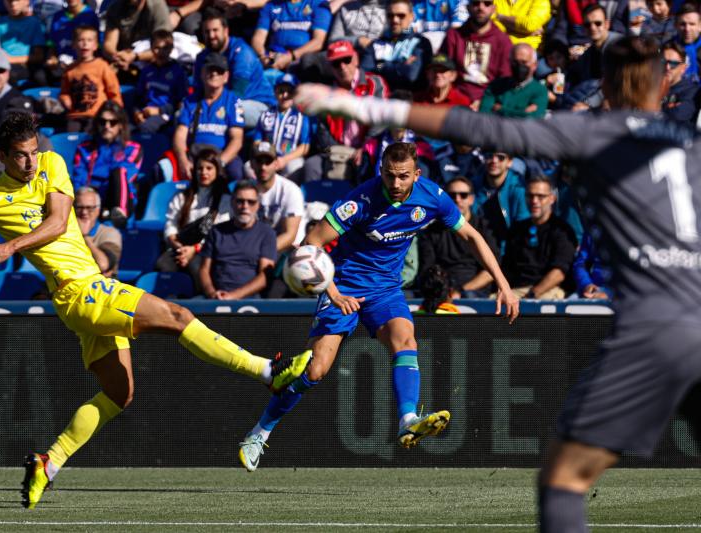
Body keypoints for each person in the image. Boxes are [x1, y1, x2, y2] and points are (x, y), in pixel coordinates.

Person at [294, 35, 701, 531]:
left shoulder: (594, 131)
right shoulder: (688, 143)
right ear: (663, 86)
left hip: (654, 330)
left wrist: (351, 102)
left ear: (608, 89)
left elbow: (477, 125)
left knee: (565, 480)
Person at [0, 111, 312, 509]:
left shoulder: (52, 163)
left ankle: (49, 464)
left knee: (119, 394)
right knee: (179, 317)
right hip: (79, 292)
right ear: (1, 156)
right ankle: (268, 372)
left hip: (87, 292)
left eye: (32, 152)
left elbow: (58, 219)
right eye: (19, 155)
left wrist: (9, 246)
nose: (29, 162)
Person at [237, 142, 518, 471]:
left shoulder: (432, 197)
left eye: (402, 177)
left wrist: (503, 283)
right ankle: (259, 433)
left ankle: (408, 419)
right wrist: (333, 293)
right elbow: (311, 242)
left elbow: (470, 235)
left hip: (385, 291)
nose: (395, 184)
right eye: (388, 175)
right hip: (343, 287)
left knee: (406, 339)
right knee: (314, 370)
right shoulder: (361, 200)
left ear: (416, 174)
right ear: (380, 172)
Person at [303, 40, 388, 184]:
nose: (342, 67)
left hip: (367, 149)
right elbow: (322, 129)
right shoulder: (326, 93)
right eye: (336, 63)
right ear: (330, 67)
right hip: (338, 151)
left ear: (356, 59)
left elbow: (381, 119)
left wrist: (365, 146)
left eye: (346, 60)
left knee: (365, 164)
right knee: (311, 165)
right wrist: (338, 151)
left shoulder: (373, 83)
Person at [155, 146, 231, 285]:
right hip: (180, 247)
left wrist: (194, 249)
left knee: (196, 268)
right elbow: (171, 225)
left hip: (207, 251)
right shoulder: (181, 197)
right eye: (200, 168)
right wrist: (179, 247)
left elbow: (221, 232)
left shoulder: (224, 200)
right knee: (163, 265)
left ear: (217, 171)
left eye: (209, 168)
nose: (204, 172)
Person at [195, 7, 276, 128]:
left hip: (258, 105)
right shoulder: (202, 57)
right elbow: (198, 90)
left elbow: (238, 93)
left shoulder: (241, 52)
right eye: (207, 31)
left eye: (215, 30)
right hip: (222, 102)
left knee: (227, 112)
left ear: (226, 31)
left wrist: (210, 108)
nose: (211, 35)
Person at [418, 175, 498, 297]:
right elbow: (428, 268)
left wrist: (460, 291)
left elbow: (491, 271)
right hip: (441, 290)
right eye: (452, 195)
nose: (457, 199)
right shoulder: (431, 231)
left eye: (463, 195)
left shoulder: (484, 228)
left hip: (474, 293)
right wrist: (444, 291)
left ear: (471, 199)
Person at [198, 179, 277, 300]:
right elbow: (204, 269)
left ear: (258, 205)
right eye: (240, 201)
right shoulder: (216, 231)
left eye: (251, 202)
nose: (245, 206)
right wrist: (212, 293)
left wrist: (233, 296)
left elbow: (264, 277)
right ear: (232, 202)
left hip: (251, 300)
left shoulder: (267, 233)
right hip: (214, 298)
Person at [174, 52, 246, 182]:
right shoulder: (189, 101)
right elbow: (180, 135)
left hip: (220, 155)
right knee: (163, 167)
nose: (214, 74)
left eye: (219, 71)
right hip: (195, 154)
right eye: (210, 70)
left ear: (226, 76)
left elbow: (237, 139)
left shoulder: (233, 101)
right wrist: (182, 160)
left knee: (237, 172)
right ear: (202, 74)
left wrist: (220, 163)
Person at [502, 175, 577, 299]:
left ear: (552, 199)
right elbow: (507, 267)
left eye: (541, 196)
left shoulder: (562, 231)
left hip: (548, 291)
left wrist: (531, 295)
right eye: (530, 196)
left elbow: (559, 273)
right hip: (515, 290)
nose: (534, 201)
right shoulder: (516, 229)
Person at [72, 101, 142, 228]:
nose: (107, 126)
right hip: (91, 195)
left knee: (119, 171)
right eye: (102, 122)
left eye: (112, 122)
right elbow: (79, 177)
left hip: (118, 196)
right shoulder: (84, 148)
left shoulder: (133, 148)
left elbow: (126, 176)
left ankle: (120, 213)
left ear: (120, 125)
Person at [443, 0, 513, 106]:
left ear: (493, 9)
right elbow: (443, 71)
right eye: (476, 3)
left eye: (487, 3)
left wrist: (485, 103)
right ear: (468, 8)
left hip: (488, 104)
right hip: (455, 102)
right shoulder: (454, 36)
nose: (481, 7)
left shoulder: (503, 41)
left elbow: (505, 80)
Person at [60, 25, 123, 134]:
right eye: (81, 40)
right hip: (75, 116)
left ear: (95, 45)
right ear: (74, 44)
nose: (85, 44)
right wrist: (65, 99)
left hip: (96, 115)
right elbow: (64, 92)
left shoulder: (102, 66)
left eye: (89, 40)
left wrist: (114, 113)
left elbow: (114, 93)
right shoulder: (70, 69)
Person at [361, 0, 433, 92]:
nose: (395, 20)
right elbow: (365, 73)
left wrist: (380, 65)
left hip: (410, 100)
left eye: (401, 16)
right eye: (390, 16)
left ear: (411, 16)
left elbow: (411, 75)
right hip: (380, 100)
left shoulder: (421, 43)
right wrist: (401, 66)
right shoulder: (375, 44)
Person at [252, 73, 310, 178]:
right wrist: (266, 159)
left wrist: (285, 159)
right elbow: (257, 141)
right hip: (266, 158)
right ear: (275, 92)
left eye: (290, 92)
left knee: (296, 166)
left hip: (288, 159)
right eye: (281, 91)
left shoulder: (302, 116)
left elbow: (304, 147)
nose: (285, 96)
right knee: (248, 167)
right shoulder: (266, 114)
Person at [132, 29, 188, 134]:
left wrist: (160, 110)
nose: (161, 52)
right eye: (157, 48)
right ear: (151, 49)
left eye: (165, 48)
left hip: (165, 115)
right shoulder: (146, 71)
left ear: (171, 49)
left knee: (145, 128)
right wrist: (137, 113)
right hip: (145, 113)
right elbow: (138, 97)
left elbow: (181, 103)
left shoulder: (178, 72)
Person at [252, 0, 331, 72]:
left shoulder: (319, 4)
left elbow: (318, 42)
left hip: (302, 60)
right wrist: (263, 56)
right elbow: (258, 37)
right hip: (274, 57)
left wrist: (291, 57)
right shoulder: (271, 5)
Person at [102, 0, 172, 79]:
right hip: (122, 61)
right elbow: (109, 43)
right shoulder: (115, 8)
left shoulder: (157, 6)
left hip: (152, 64)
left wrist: (135, 57)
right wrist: (119, 57)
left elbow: (164, 46)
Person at [478, 43, 548, 119]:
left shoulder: (540, 90)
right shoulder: (496, 85)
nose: (519, 66)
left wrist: (500, 109)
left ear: (534, 65)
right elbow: (483, 115)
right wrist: (523, 112)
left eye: (524, 62)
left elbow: (533, 119)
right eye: (515, 62)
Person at [0, 0, 46, 84]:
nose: (13, 4)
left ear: (26, 1)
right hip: (5, 66)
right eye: (9, 1)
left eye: (17, 0)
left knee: (40, 77)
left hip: (27, 66)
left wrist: (11, 59)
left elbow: (38, 56)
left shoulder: (34, 23)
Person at [74, 186, 122, 278]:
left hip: (101, 288)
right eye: (79, 207)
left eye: (89, 208)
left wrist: (85, 237)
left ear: (98, 210)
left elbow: (103, 265)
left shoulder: (110, 233)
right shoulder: (65, 233)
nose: (84, 212)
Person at [661, 41, 698, 128]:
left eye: (673, 64)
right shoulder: (649, 87)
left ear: (683, 68)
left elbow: (678, 115)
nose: (667, 67)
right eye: (663, 62)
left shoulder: (692, 91)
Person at [673, 3, 701, 82]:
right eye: (682, 24)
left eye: (692, 24)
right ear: (675, 25)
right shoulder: (668, 49)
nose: (687, 29)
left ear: (700, 26)